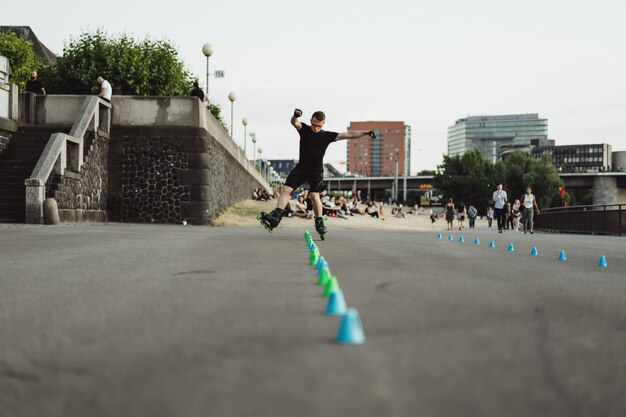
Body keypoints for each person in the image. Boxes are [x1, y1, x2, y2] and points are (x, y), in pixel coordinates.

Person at [258, 109, 376, 237]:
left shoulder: (327, 136)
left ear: (323, 124)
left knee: (314, 196)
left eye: (319, 126)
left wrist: (366, 133)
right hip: (301, 168)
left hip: (316, 171)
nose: (315, 128)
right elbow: (294, 122)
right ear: (311, 121)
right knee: (286, 189)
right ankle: (276, 217)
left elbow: (349, 134)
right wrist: (295, 116)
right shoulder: (304, 129)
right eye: (314, 125)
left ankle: (319, 222)